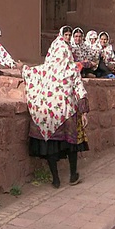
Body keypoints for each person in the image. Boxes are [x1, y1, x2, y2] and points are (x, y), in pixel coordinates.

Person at [22, 33, 90, 188]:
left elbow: (27, 73)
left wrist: (21, 67)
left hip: (47, 115)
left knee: (51, 146)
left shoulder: (44, 70)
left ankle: (56, 179)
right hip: (66, 113)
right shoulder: (72, 69)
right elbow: (80, 90)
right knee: (71, 143)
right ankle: (73, 175)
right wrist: (84, 111)